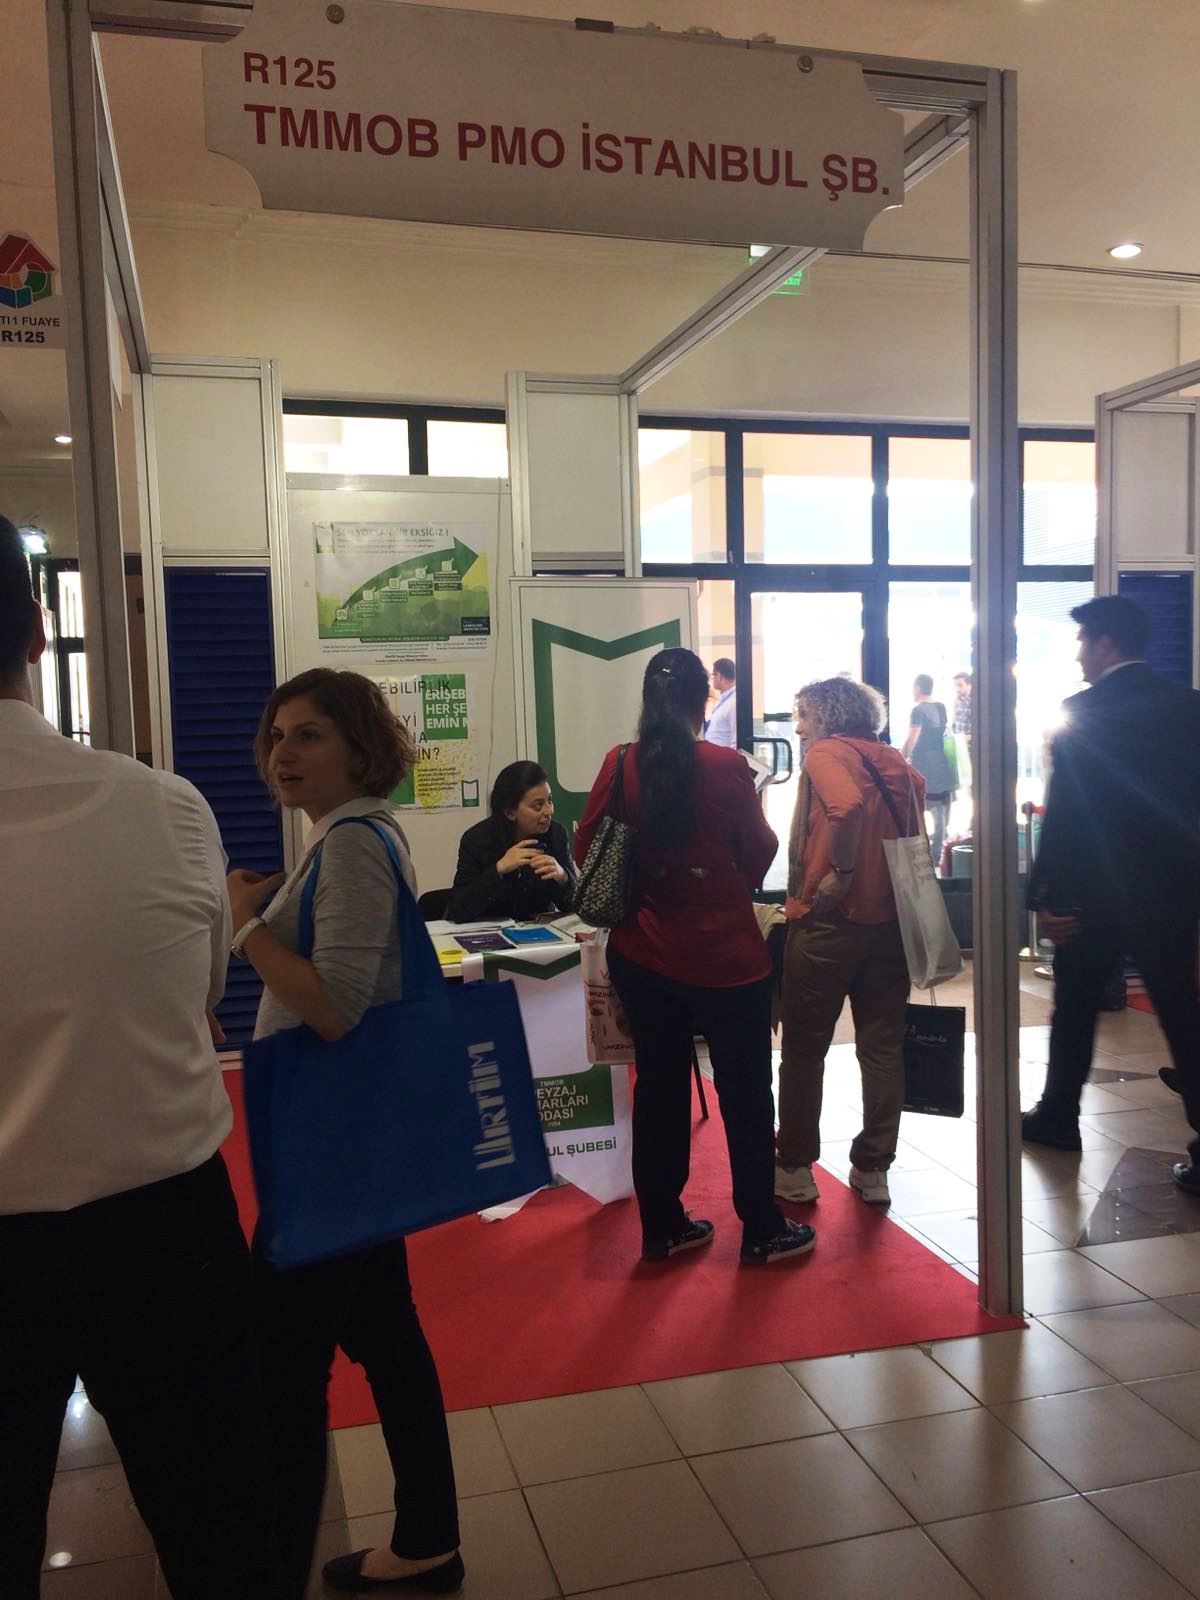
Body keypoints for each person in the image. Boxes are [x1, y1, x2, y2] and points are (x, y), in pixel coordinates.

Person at [0, 516, 283, 1600]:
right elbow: (199, 1000)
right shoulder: (164, 805)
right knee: (220, 1538)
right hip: (164, 1229)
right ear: (38, 630)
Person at [231, 667, 463, 1596]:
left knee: (278, 1365)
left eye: (310, 734)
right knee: (387, 1340)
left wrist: (247, 927)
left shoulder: (357, 843)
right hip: (346, 1141)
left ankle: (267, 1566)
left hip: (335, 1150)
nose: (282, 752)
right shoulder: (340, 837)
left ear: (361, 749)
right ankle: (427, 1539)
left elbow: (334, 1007)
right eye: (276, 734)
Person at [575, 647, 814, 1265]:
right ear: (701, 700)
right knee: (745, 1091)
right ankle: (760, 1227)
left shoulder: (619, 762)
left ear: (648, 700)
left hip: (642, 953)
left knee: (658, 1089)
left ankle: (663, 1227)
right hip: (726, 957)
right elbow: (759, 850)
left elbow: (585, 847)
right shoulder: (726, 765)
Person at [1022, 596, 1200, 1193]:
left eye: (1082, 642)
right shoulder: (1190, 708)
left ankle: (1057, 1118)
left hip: (1094, 894)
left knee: (1075, 1007)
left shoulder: (1083, 712)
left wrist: (1045, 894)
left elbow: (1068, 811)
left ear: (1104, 643)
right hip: (1171, 893)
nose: (1078, 654)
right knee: (1182, 1013)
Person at [775, 677, 923, 1210]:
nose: (799, 728)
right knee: (882, 1048)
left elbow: (847, 807)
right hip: (890, 925)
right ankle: (873, 1168)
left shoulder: (826, 754)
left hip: (829, 924)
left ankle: (795, 1166)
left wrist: (841, 870)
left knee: (804, 1049)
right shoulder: (895, 761)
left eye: (803, 715)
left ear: (826, 715)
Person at [446, 759, 575, 922]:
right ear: (510, 813)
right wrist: (498, 870)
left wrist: (563, 877)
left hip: (539, 932)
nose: (549, 811)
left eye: (549, 800)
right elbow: (458, 911)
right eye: (538, 805)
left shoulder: (556, 834)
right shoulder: (477, 840)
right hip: (490, 933)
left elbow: (574, 905)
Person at [901, 674, 955, 870]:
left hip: (923, 764)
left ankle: (920, 856)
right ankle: (938, 854)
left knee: (919, 809)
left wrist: (900, 757)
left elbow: (912, 739)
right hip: (941, 762)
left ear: (917, 688)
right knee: (941, 809)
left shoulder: (917, 711)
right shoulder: (941, 708)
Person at [703, 656, 738, 747]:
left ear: (718, 676)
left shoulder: (734, 703)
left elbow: (736, 742)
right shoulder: (723, 699)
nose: (712, 679)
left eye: (713, 675)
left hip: (724, 755)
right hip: (714, 753)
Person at [952, 669, 973, 776]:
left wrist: (968, 737)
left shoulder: (976, 701)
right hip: (959, 747)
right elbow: (955, 722)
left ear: (969, 685)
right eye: (955, 685)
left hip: (972, 748)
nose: (957, 689)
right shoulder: (957, 700)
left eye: (960, 685)